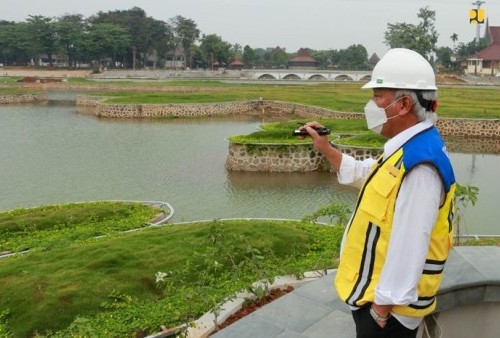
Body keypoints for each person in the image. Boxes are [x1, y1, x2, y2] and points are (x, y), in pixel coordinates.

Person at [299, 48, 456, 338]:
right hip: (379, 303)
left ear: (404, 104)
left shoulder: (421, 165)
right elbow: (367, 174)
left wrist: (379, 313)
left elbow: (410, 245)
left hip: (389, 314)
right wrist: (326, 148)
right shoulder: (408, 148)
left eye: (378, 96)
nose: (371, 105)